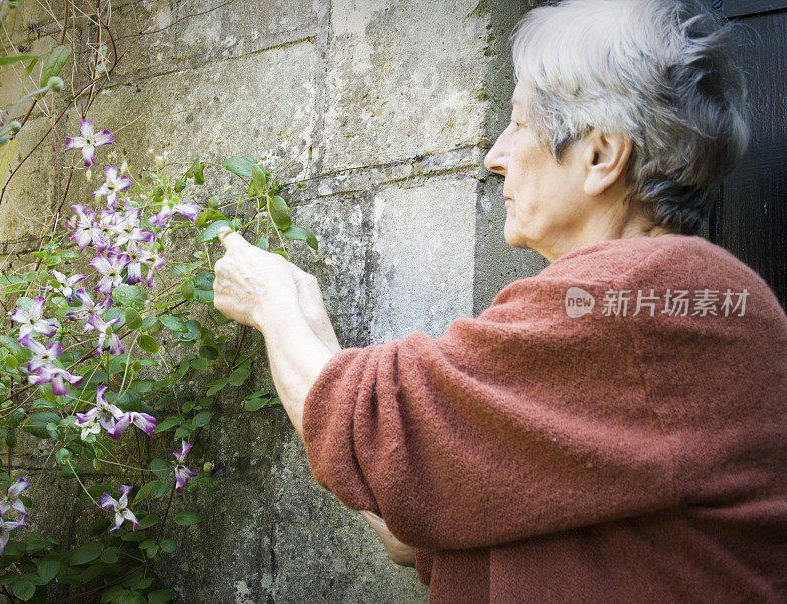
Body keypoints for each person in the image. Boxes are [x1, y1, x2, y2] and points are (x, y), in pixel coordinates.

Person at [213, 0, 787, 601]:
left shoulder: (639, 301)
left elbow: (378, 432)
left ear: (600, 155)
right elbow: (408, 526)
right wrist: (304, 318)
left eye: (517, 123)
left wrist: (273, 304)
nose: (494, 156)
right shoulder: (657, 302)